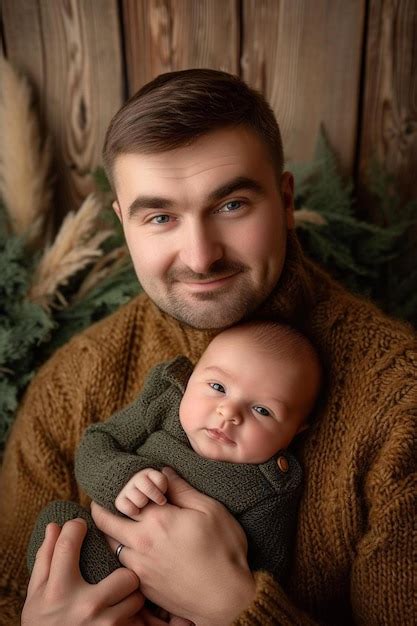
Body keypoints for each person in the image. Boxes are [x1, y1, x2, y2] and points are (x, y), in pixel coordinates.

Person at [0, 68, 415, 626]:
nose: (200, 257)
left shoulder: (400, 399)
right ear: (124, 223)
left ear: (285, 199)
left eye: (231, 206)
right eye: (161, 216)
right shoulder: (71, 385)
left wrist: (234, 607)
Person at [27, 321, 321, 599]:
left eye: (262, 410)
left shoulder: (268, 488)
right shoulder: (165, 404)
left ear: (294, 432)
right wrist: (122, 478)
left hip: (177, 601)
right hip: (97, 565)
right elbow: (99, 441)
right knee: (59, 522)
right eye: (218, 387)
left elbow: (265, 573)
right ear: (191, 378)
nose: (229, 413)